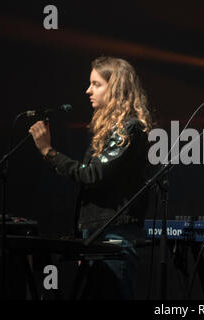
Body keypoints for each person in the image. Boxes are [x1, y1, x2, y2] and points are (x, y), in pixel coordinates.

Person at [29, 56, 153, 299]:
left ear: (115, 87)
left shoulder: (129, 129)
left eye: (96, 84)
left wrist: (48, 152)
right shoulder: (108, 129)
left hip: (114, 237)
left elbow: (91, 175)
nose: (88, 90)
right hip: (97, 236)